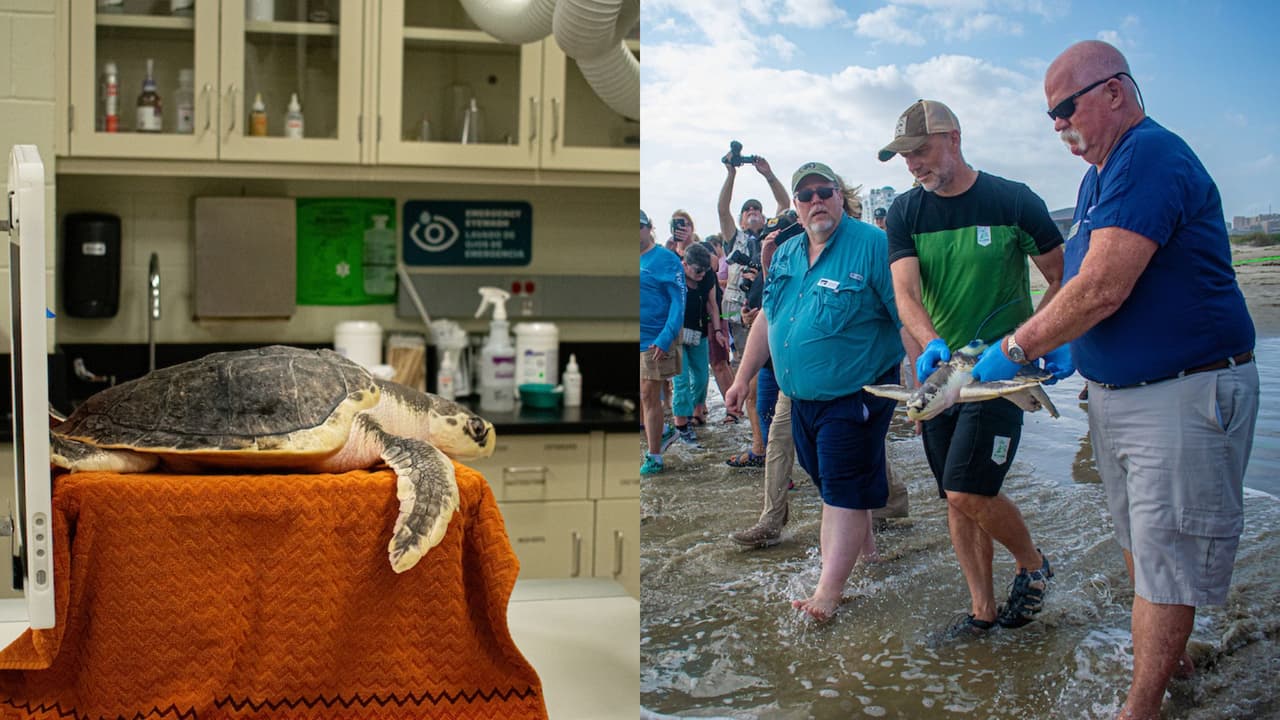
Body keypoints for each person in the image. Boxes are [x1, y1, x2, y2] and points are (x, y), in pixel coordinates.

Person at [970, 41, 1258, 719]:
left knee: (1165, 553)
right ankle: (1175, 664)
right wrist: (1033, 346)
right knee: (1141, 544)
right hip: (1119, 397)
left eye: (1064, 110)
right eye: (1050, 117)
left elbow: (1102, 288)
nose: (1057, 127)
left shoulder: (1150, 155)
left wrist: (1014, 349)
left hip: (1182, 393)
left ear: (1114, 94)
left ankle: (1140, 710)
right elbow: (1071, 285)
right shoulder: (1097, 177)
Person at [879, 99, 1066, 635]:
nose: (913, 164)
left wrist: (1038, 338)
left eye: (920, 151)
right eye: (904, 157)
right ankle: (982, 611)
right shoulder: (906, 213)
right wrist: (931, 346)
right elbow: (905, 294)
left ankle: (1032, 563)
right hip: (942, 374)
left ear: (953, 138)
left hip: (1001, 374)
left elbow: (1061, 276)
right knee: (955, 500)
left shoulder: (1012, 200)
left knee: (967, 488)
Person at [725, 162, 906, 620]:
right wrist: (743, 378)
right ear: (796, 207)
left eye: (824, 191)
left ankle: (828, 591)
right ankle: (867, 557)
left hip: (858, 390)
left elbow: (905, 316)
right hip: (800, 396)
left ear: (840, 196)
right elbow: (768, 317)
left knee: (840, 490)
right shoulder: (785, 252)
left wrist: (926, 390)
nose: (815, 201)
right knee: (830, 481)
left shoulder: (873, 245)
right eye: (805, 196)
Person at [718, 154, 790, 460]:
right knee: (749, 383)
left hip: (773, 312)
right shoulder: (734, 240)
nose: (752, 213)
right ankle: (761, 447)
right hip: (739, 317)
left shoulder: (773, 236)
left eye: (756, 209)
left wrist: (768, 175)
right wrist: (731, 174)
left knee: (768, 384)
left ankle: (767, 447)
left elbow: (785, 203)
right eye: (747, 210)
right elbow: (722, 209)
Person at [639, 210, 686, 476]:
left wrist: (666, 337)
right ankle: (664, 431)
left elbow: (679, 303)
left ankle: (654, 456)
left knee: (649, 395)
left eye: (639, 226)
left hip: (655, 340)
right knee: (640, 398)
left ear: (649, 228)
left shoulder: (666, 260)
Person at [671, 243, 725, 447]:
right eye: (697, 271)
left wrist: (718, 331)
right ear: (684, 264)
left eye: (705, 270)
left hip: (698, 333)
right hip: (676, 334)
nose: (702, 274)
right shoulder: (674, 276)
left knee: (702, 376)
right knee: (681, 379)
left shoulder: (707, 277)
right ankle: (681, 425)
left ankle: (695, 410)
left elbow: (712, 304)